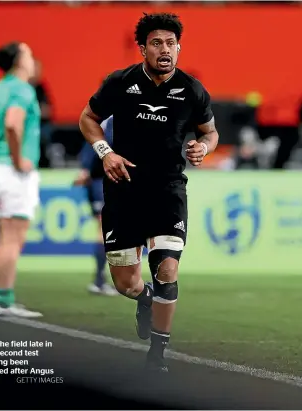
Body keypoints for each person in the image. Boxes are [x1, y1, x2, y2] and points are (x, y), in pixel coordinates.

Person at [79, 13, 219, 372]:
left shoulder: (192, 90)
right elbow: (87, 119)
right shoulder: (120, 83)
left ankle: (157, 356)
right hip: (124, 191)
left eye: (171, 43)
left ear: (179, 48)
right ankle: (144, 299)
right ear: (143, 48)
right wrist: (105, 153)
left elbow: (210, 132)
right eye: (156, 43)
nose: (165, 50)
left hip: (168, 192)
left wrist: (203, 147)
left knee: (167, 269)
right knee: (126, 283)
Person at [0, 41, 43, 318]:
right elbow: (13, 124)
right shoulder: (21, 89)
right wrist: (16, 159)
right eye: (28, 53)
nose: (32, 57)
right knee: (13, 237)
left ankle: (1, 298)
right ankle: (3, 301)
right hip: (12, 172)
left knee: (5, 235)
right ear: (19, 61)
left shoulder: (0, 87)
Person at [74, 115, 118, 296]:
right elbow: (96, 143)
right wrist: (85, 169)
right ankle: (99, 281)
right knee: (104, 228)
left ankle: (105, 280)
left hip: (108, 180)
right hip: (103, 181)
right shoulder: (110, 119)